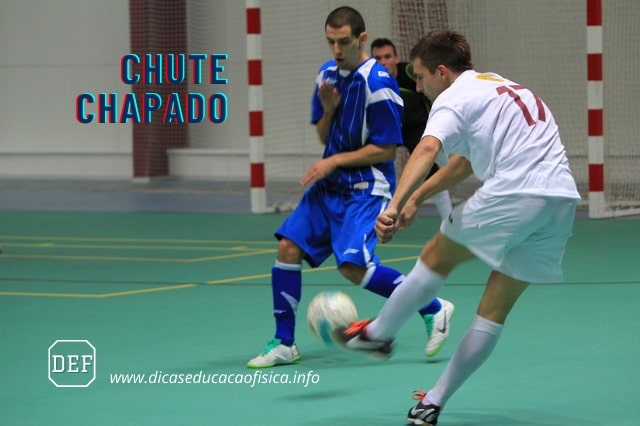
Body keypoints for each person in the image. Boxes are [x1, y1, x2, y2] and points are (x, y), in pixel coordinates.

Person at [333, 30, 581, 425]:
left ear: (442, 72)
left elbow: (427, 149)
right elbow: (461, 165)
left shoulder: (451, 97)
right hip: (560, 202)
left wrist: (393, 205)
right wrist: (416, 199)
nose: (418, 86)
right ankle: (432, 401)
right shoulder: (497, 87)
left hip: (516, 192)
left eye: (420, 76)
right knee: (492, 313)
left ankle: (379, 333)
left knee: (435, 257)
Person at [247, 7, 455, 369]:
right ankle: (284, 343)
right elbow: (324, 135)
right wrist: (328, 111)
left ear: (361, 39)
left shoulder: (379, 84)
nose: (336, 49)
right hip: (328, 188)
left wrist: (331, 162)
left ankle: (433, 306)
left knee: (353, 266)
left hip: (365, 188)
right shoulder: (326, 75)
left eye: (343, 41)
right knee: (287, 247)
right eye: (330, 41)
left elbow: (386, 149)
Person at [370, 38, 452, 221]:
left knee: (437, 171)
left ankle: (450, 221)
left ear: (396, 58)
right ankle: (377, 218)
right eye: (378, 58)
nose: (383, 62)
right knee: (371, 169)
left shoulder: (409, 72)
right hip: (389, 131)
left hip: (418, 127)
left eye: (387, 56)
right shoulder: (368, 81)